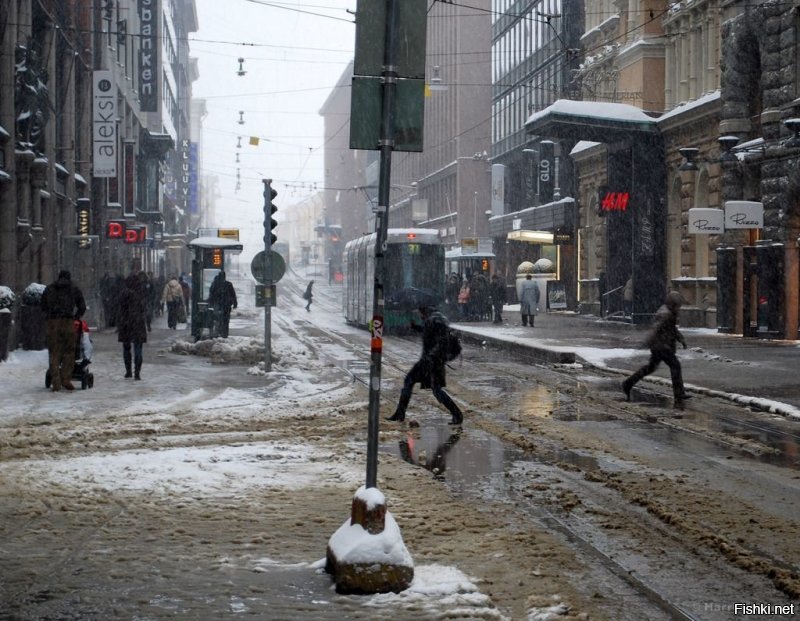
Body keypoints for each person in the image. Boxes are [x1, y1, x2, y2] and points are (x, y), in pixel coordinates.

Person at [386, 305, 463, 425]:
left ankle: (400, 413)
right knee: (435, 389)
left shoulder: (433, 320)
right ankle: (457, 414)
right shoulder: (436, 318)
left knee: (410, 381)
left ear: (424, 311)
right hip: (434, 361)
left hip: (430, 361)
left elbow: (441, 339)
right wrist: (416, 327)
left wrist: (432, 356)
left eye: (419, 313)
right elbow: (431, 332)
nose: (419, 316)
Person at [622, 291, 691, 410]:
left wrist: (681, 339)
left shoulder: (668, 312)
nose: (679, 308)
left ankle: (628, 383)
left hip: (661, 346)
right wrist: (646, 343)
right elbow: (655, 329)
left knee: (650, 368)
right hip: (662, 347)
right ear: (673, 303)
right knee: (675, 366)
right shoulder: (666, 314)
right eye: (678, 305)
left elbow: (672, 329)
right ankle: (679, 394)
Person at [40, 270, 86, 391]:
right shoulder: (73, 288)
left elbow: (43, 305)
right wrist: (75, 317)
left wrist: (50, 315)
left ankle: (56, 381)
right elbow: (82, 306)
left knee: (54, 352)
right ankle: (66, 378)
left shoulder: (49, 289)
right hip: (67, 322)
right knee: (69, 351)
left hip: (52, 323)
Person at [117, 272, 149, 380]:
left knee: (126, 347)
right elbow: (144, 308)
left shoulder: (124, 293)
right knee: (138, 347)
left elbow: (120, 308)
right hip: (138, 323)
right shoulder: (141, 293)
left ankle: (128, 371)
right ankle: (137, 373)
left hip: (126, 323)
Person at [208, 271, 237, 338]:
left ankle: (219, 332)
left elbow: (211, 294)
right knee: (225, 320)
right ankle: (224, 333)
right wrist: (234, 303)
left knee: (218, 319)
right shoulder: (228, 284)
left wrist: (211, 302)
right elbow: (233, 295)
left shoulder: (216, 284)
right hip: (226, 305)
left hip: (218, 305)